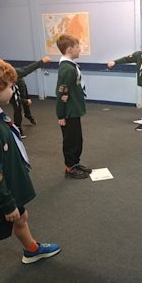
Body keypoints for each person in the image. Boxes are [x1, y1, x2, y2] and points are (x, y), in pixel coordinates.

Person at [0, 56, 60, 283]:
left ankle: (32, 250)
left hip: (9, 188)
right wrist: (6, 203)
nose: (13, 89)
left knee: (22, 217)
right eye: (10, 86)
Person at [56, 33, 91, 179]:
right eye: (77, 47)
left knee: (77, 139)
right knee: (71, 141)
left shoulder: (71, 66)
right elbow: (61, 94)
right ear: (70, 49)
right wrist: (61, 115)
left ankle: (75, 163)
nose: (80, 49)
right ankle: (69, 168)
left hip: (74, 109)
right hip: (69, 112)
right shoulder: (67, 69)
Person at [10, 56, 51, 138]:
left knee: (26, 100)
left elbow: (26, 70)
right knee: (17, 108)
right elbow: (15, 99)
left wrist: (26, 100)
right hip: (13, 92)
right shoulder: (3, 81)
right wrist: (42, 61)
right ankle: (17, 128)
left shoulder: (16, 75)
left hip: (21, 85)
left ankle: (28, 115)